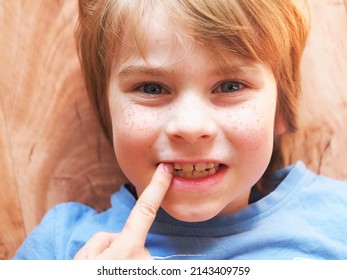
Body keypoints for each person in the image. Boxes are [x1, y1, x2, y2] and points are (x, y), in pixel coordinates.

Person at [13, 0, 347, 260]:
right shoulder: (60, 245)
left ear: (282, 110)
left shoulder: (339, 220)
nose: (190, 127)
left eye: (230, 86)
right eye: (152, 88)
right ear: (108, 110)